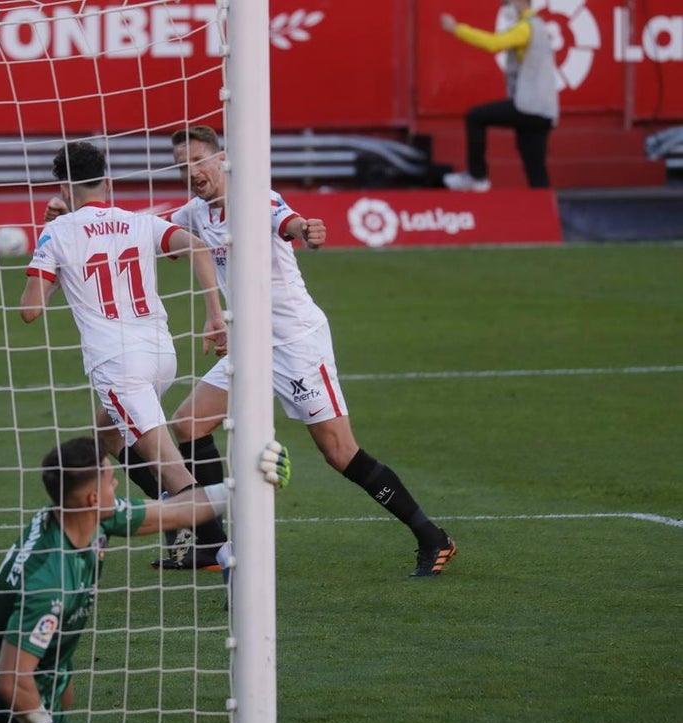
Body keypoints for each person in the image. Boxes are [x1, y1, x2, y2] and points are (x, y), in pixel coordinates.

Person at [0, 436, 290, 723]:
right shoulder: (51, 580)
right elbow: (11, 682)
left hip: (22, 653)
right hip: (7, 670)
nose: (118, 487)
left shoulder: (84, 514)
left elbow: (170, 514)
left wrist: (244, 489)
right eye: (111, 480)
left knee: (60, 698)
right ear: (91, 497)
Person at [166, 126, 456, 578]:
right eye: (183, 166)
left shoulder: (255, 198)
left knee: (340, 452)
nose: (192, 173)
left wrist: (307, 230)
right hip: (250, 344)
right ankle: (210, 543)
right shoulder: (197, 211)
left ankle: (432, 536)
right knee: (186, 425)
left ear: (221, 159)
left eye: (198, 161)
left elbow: (290, 222)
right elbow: (149, 225)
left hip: (295, 343)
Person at [20, 141, 229, 568]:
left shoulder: (57, 233)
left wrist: (47, 246)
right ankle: (174, 523)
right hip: (160, 355)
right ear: (107, 182)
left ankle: (223, 548)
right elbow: (197, 246)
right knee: (105, 437)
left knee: (174, 471)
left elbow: (30, 310)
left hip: (118, 365)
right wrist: (214, 315)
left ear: (62, 187)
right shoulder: (138, 222)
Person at [440, 0, 560, 191]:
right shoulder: (538, 25)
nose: (505, 5)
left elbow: (493, 44)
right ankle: (545, 215)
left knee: (475, 117)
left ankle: (477, 176)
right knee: (536, 170)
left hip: (528, 107)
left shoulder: (526, 28)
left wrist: (456, 28)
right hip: (544, 111)